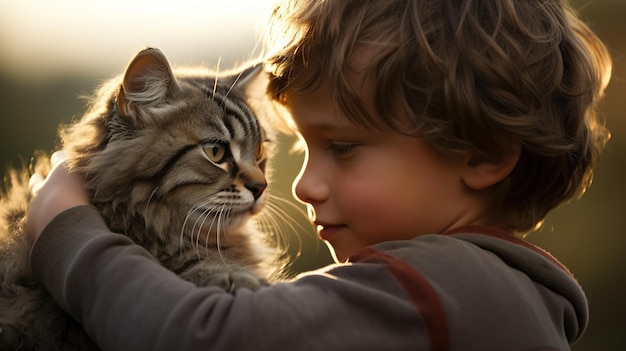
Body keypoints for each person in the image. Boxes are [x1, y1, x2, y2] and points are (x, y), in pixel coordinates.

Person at [25, 0, 611, 350]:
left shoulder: (448, 286)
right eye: (303, 148)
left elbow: (214, 339)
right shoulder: (476, 292)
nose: (301, 187)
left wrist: (67, 230)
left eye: (345, 148)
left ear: (483, 156)